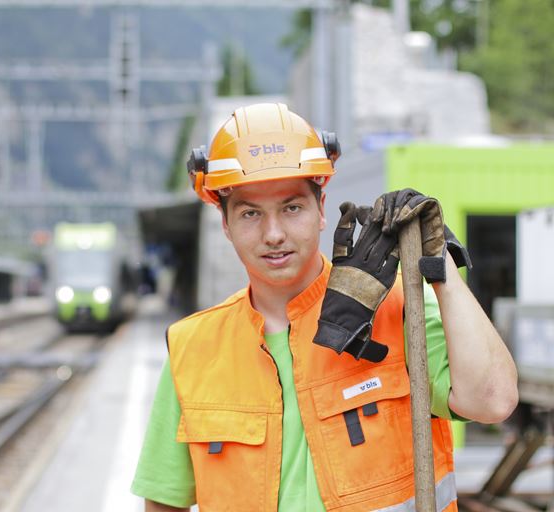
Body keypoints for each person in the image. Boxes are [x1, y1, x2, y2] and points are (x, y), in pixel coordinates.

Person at [131, 102, 518, 511]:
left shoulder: (399, 309)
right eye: (250, 213)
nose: (273, 234)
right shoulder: (193, 348)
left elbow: (492, 401)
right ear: (225, 224)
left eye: (291, 208)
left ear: (320, 209)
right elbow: (164, 501)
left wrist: (440, 269)